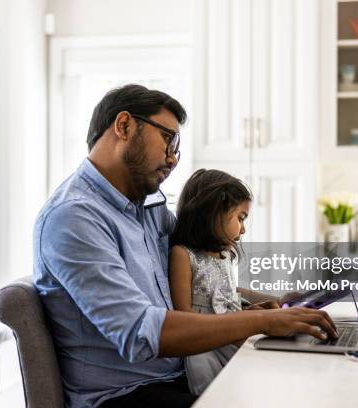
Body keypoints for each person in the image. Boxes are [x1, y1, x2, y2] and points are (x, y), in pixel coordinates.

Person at [33, 84, 338, 408]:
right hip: (127, 395)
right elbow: (141, 333)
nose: (174, 158)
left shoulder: (148, 212)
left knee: (307, 383)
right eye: (169, 139)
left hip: (177, 375)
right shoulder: (73, 218)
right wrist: (262, 322)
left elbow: (203, 275)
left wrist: (267, 304)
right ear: (124, 126)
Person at [169, 168, 270, 395]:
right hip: (205, 346)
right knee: (220, 395)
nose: (243, 229)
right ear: (213, 212)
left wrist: (277, 301)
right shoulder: (183, 255)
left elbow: (228, 292)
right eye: (240, 218)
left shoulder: (223, 256)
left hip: (232, 335)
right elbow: (183, 314)